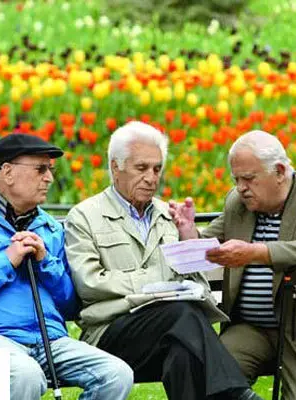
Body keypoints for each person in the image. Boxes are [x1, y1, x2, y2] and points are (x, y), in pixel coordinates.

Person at [169, 130, 296, 400]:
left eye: (249, 178)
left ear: (279, 172)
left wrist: (256, 253)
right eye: (236, 179)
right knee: (210, 380)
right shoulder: (238, 202)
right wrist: (189, 233)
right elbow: (210, 246)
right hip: (251, 329)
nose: (241, 187)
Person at [64, 121, 262, 400]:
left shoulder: (169, 215)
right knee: (180, 315)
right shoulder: (84, 216)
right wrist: (156, 282)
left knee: (183, 352)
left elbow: (199, 285)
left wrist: (189, 238)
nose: (151, 178)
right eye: (142, 168)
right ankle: (237, 394)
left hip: (172, 332)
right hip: (110, 334)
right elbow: (90, 283)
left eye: (157, 169)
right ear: (115, 167)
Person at [0, 133, 134, 400]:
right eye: (40, 169)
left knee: (117, 374)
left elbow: (71, 305)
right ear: (8, 172)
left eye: (50, 170)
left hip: (51, 339)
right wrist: (5, 262)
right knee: (26, 375)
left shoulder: (50, 228)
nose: (49, 178)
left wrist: (45, 263)